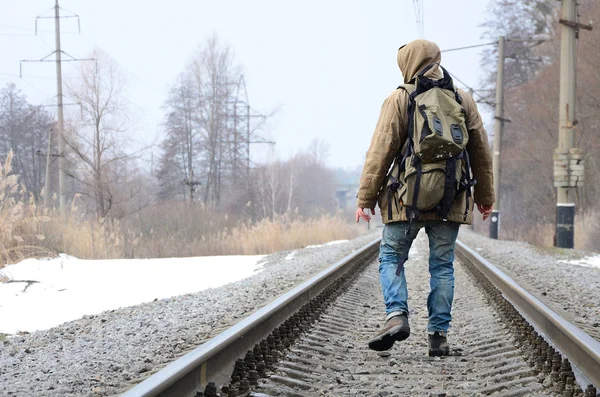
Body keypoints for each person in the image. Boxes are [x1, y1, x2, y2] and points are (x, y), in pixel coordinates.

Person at [355, 39, 495, 356]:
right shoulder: (464, 100)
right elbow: (482, 154)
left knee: (392, 257)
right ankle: (438, 337)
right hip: (451, 198)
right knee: (442, 266)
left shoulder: (399, 98)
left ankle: (396, 315)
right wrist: (485, 196)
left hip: (405, 200)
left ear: (408, 63)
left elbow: (380, 152)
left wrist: (365, 199)